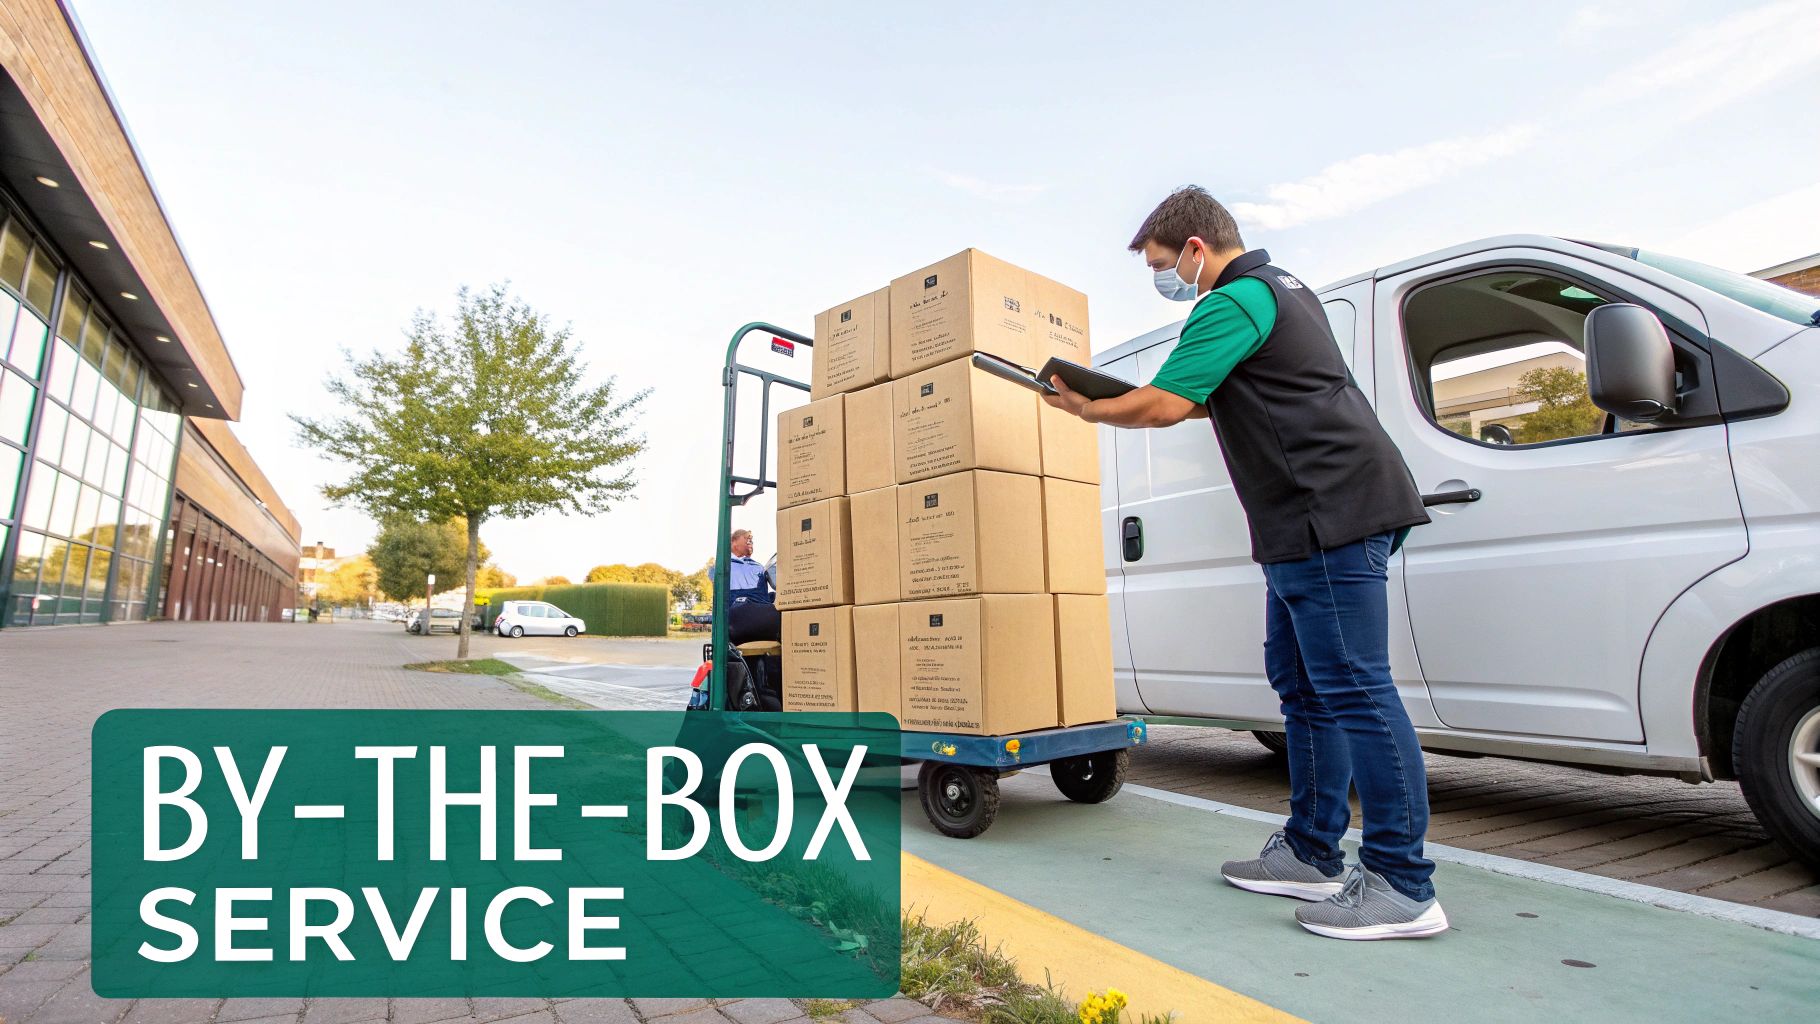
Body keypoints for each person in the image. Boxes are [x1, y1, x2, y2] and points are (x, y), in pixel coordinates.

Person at [1042, 186, 1443, 940]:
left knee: (1356, 690)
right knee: (1304, 688)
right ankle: (1310, 850)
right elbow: (1196, 398)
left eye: (1164, 265)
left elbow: (1164, 404)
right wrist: (1124, 396)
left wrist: (1087, 409)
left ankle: (1403, 884)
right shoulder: (1281, 293)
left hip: (1330, 513)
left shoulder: (1236, 298)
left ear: (1196, 248)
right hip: (1305, 521)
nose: (1166, 280)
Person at [725, 528, 778, 645]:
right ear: (733, 542)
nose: (751, 541)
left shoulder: (759, 567)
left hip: (761, 618)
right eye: (746, 538)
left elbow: (776, 585)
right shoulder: (722, 566)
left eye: (752, 540)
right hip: (738, 620)